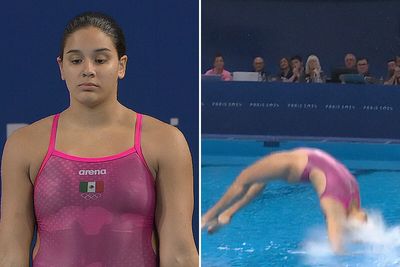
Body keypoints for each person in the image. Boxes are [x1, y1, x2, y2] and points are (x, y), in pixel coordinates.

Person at [0, 12, 198, 267]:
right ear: (61, 68)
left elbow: (180, 255)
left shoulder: (165, 142)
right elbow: (9, 255)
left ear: (121, 66)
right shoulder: (24, 145)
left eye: (100, 59)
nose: (88, 70)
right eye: (76, 60)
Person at [202, 148, 367, 253]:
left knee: (244, 180)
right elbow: (338, 244)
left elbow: (337, 247)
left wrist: (349, 249)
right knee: (253, 181)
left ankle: (210, 217)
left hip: (299, 162)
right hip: (298, 163)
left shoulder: (349, 197)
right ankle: (222, 215)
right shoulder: (342, 203)